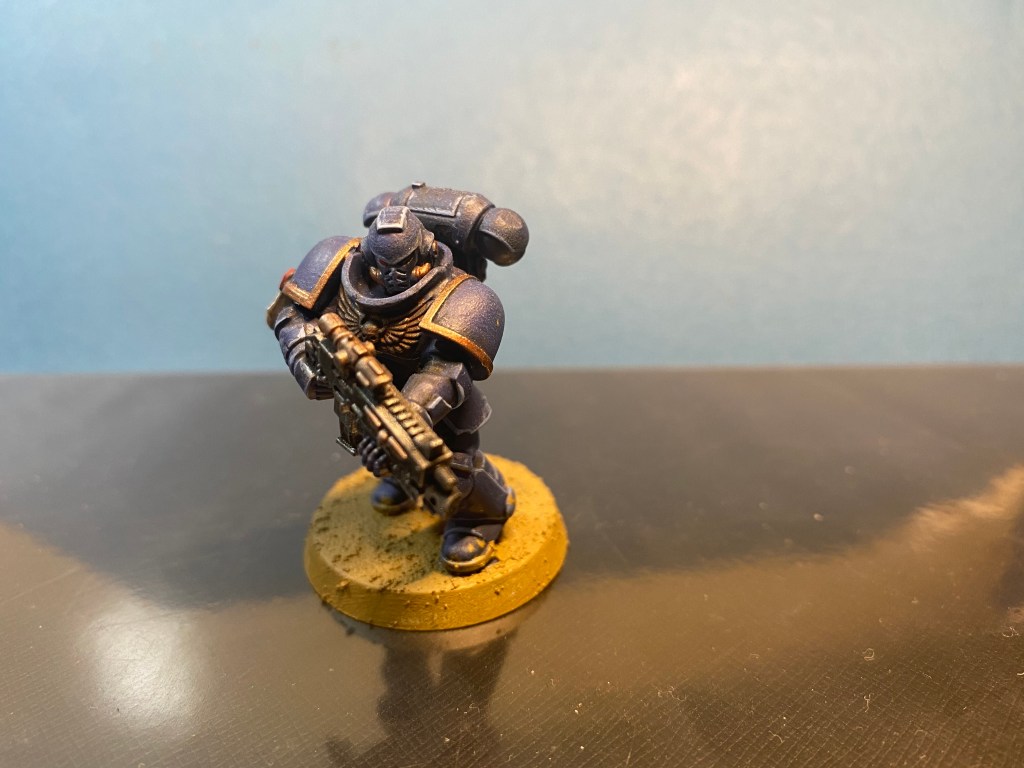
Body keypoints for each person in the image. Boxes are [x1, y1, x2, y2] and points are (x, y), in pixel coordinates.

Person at [271, 198, 525, 575]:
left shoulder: (462, 296)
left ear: (426, 252)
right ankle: (403, 482)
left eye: (403, 267)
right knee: (377, 450)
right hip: (361, 388)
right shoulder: (336, 260)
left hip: (433, 404)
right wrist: (302, 355)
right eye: (382, 267)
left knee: (454, 466)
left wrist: (408, 416)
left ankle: (484, 514)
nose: (392, 277)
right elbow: (290, 312)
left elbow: (447, 370)